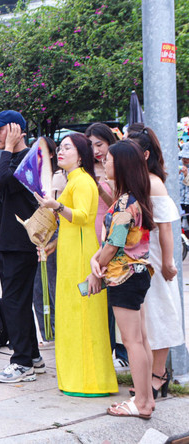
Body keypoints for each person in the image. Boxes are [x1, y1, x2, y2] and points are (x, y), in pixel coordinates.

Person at [35, 134, 117, 396]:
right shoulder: (74, 180)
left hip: (81, 256)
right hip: (71, 253)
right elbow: (71, 223)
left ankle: (88, 380)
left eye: (67, 148)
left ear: (81, 155)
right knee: (71, 315)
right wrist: (52, 244)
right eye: (60, 148)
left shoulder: (82, 181)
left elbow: (82, 217)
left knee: (82, 316)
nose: (61, 152)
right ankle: (76, 378)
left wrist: (56, 205)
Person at [91, 139, 155, 419]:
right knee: (140, 340)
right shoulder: (135, 199)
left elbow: (113, 244)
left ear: (123, 164)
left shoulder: (124, 203)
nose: (104, 162)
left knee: (132, 342)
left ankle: (141, 403)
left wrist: (97, 262)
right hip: (137, 274)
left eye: (109, 159)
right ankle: (147, 399)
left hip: (124, 276)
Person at [0, 110, 44, 383]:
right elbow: (3, 184)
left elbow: (6, 179)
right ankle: (33, 356)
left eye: (1, 130)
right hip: (10, 241)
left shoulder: (30, 158)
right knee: (18, 302)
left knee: (14, 302)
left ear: (16, 130)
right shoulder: (13, 159)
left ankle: (21, 363)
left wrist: (6, 149)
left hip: (20, 242)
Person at [127, 124, 183, 398]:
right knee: (144, 318)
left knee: (159, 314)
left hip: (156, 260)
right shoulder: (135, 180)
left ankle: (159, 375)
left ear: (146, 154)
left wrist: (168, 263)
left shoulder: (154, 183)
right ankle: (148, 374)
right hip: (139, 259)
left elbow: (166, 229)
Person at [85, 122, 128, 369]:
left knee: (116, 294)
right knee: (97, 295)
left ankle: (121, 352)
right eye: (90, 146)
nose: (95, 151)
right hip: (92, 237)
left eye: (99, 145)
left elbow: (118, 205)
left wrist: (100, 186)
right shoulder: (85, 170)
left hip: (113, 239)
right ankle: (105, 348)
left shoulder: (117, 171)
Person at [31, 136, 58, 349]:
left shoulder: (57, 177)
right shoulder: (30, 177)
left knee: (52, 286)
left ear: (51, 154)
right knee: (37, 288)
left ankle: (56, 332)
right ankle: (47, 333)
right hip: (35, 237)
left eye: (41, 152)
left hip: (54, 237)